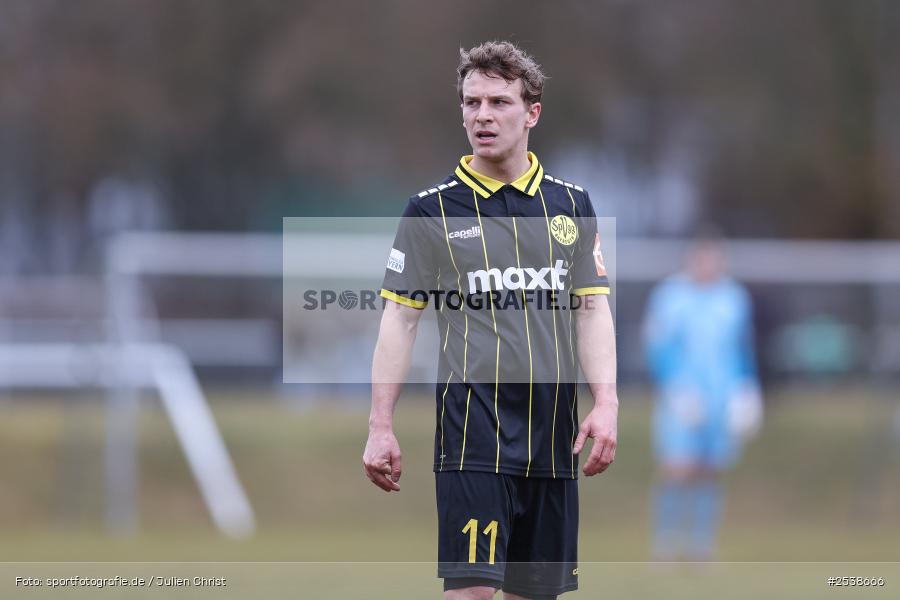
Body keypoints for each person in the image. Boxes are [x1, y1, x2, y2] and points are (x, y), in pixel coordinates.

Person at [363, 41, 619, 599]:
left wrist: (607, 401)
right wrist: (380, 425)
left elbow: (592, 309)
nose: (482, 115)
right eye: (471, 101)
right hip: (471, 441)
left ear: (532, 113)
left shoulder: (571, 206)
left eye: (499, 102)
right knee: (474, 593)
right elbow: (399, 322)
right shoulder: (430, 211)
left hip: (553, 443)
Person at [643, 230, 762, 561]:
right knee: (678, 468)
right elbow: (657, 345)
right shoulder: (670, 296)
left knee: (711, 468)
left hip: (722, 395)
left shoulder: (734, 298)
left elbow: (742, 347)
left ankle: (701, 545)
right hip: (682, 396)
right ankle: (664, 544)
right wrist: (675, 387)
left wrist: (746, 388)